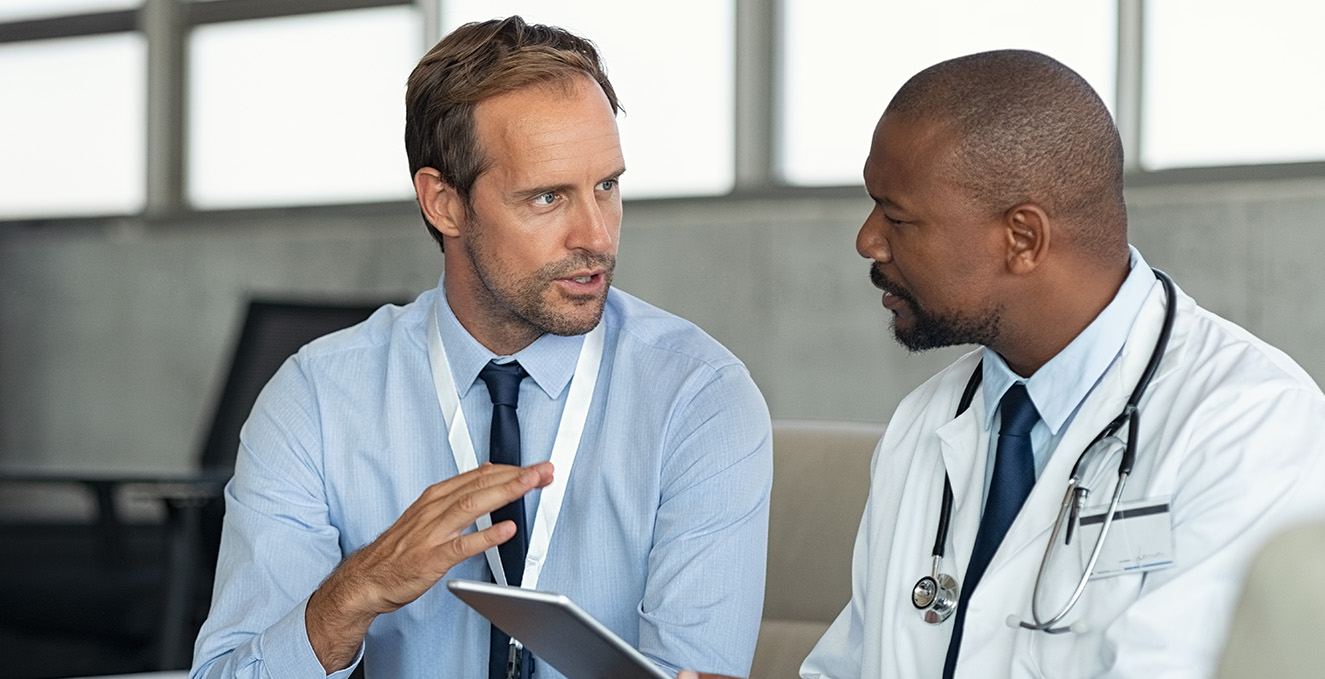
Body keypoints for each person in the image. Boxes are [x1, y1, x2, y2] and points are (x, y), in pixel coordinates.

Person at [191, 16, 771, 679]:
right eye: (548, 196)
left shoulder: (700, 399)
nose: (596, 236)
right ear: (444, 202)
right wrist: (353, 594)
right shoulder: (317, 399)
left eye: (606, 185)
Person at [800, 49, 1325, 679]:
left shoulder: (1252, 424)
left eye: (899, 216)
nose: (867, 239)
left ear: (1023, 238)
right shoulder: (924, 423)